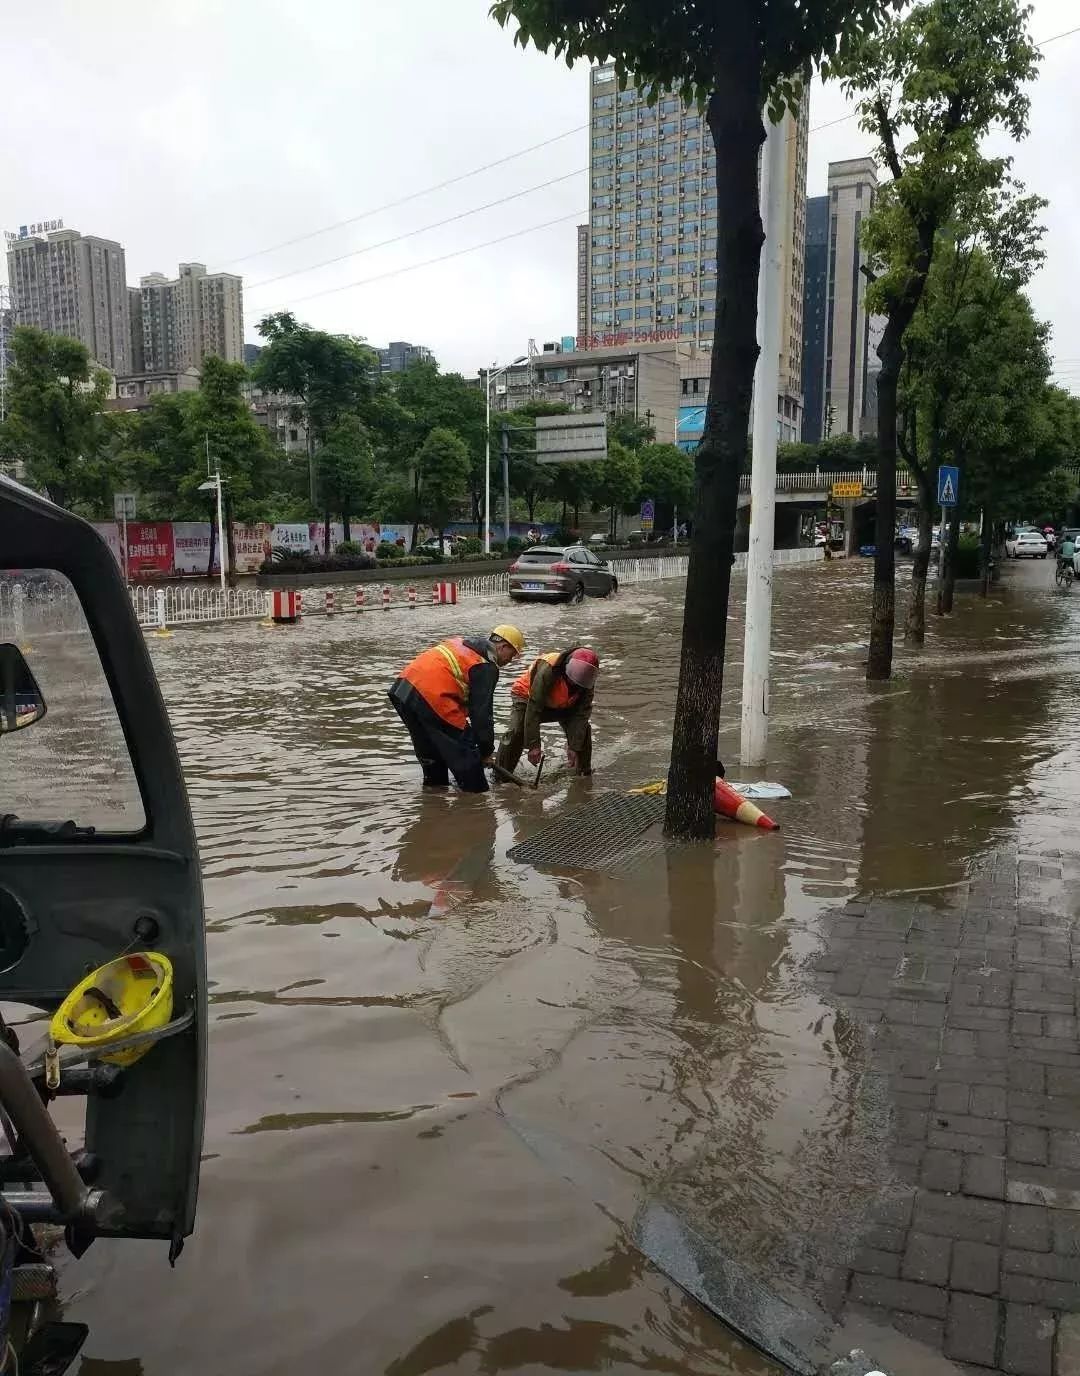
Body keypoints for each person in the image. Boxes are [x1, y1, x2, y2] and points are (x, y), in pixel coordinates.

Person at [389, 625, 525, 792]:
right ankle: (478, 805)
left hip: (403, 690)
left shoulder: (462, 644)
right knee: (468, 758)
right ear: (503, 646)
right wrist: (485, 751)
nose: (510, 661)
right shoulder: (485, 665)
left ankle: (435, 800)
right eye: (512, 655)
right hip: (432, 696)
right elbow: (482, 714)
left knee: (431, 754)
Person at [496, 647, 600, 778]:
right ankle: (501, 776)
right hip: (527, 697)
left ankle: (583, 774)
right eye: (573, 679)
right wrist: (534, 745)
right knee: (516, 730)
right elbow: (534, 707)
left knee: (583, 730)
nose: (575, 683)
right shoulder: (548, 669)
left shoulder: (587, 680)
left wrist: (574, 746)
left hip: (563, 703)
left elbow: (582, 714)